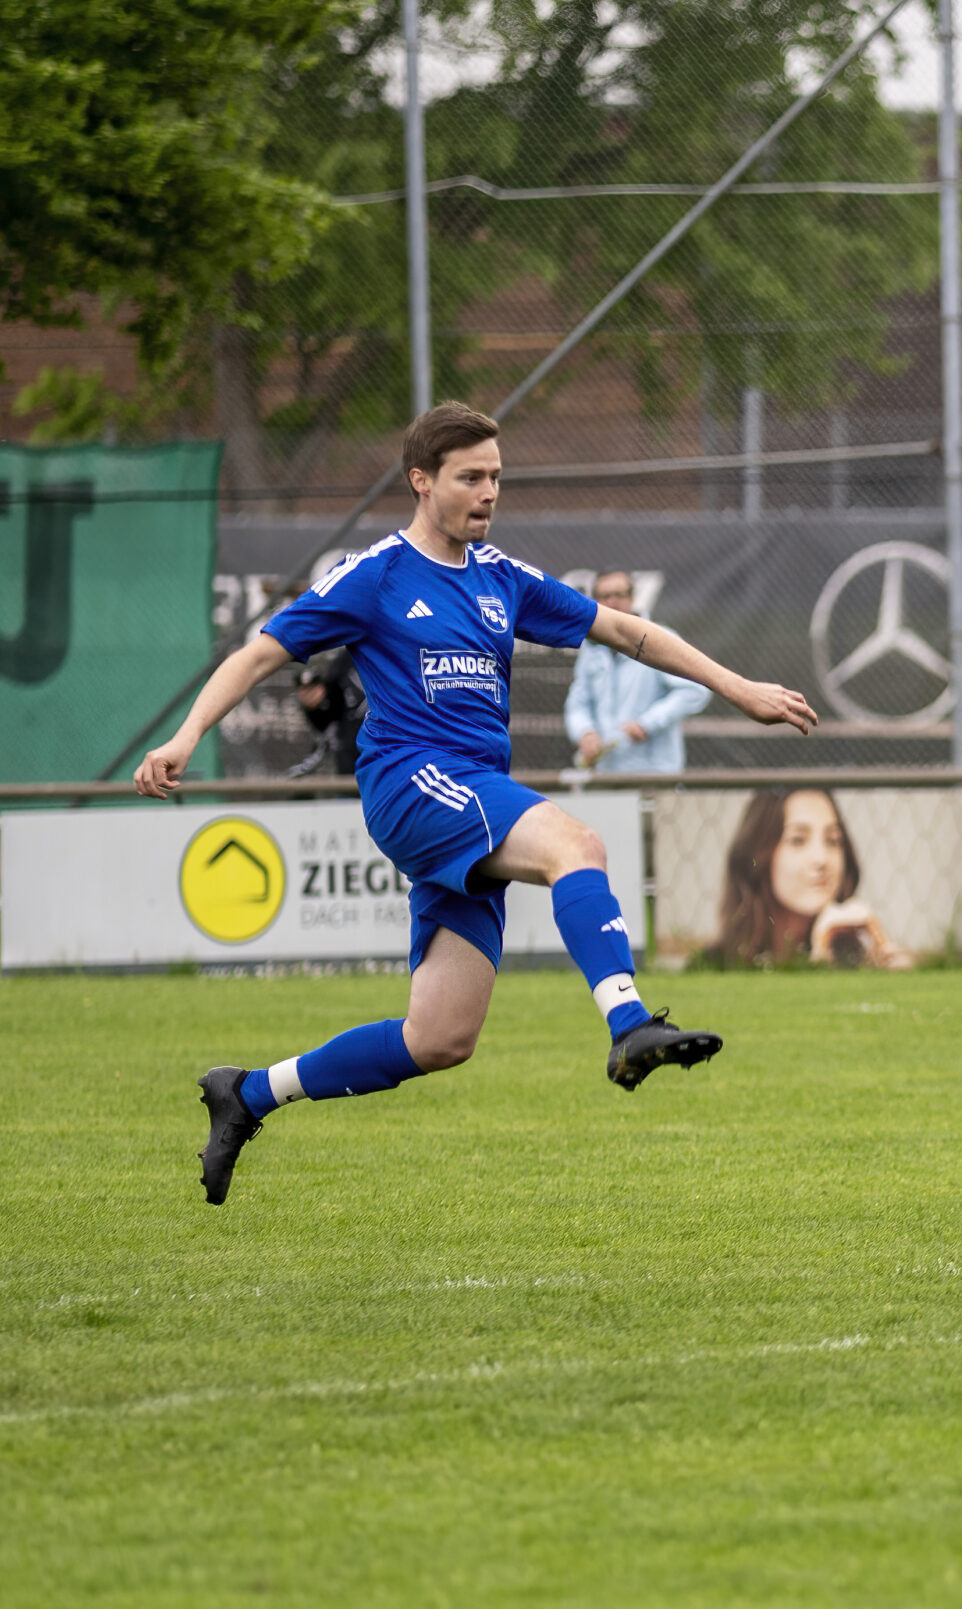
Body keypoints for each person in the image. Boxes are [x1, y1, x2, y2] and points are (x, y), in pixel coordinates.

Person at [135, 401, 819, 1205]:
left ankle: (248, 1092)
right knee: (577, 844)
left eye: (496, 475)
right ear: (421, 481)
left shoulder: (502, 578)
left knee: (440, 1038)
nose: (489, 491)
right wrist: (184, 736)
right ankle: (629, 1023)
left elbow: (628, 632)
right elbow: (259, 655)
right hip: (410, 782)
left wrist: (740, 688)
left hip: (470, 796)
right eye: (470, 476)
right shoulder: (377, 573)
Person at [710, 787, 911, 969]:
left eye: (832, 841)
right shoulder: (714, 967)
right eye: (798, 840)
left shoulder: (862, 964)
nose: (821, 859)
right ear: (759, 855)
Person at [565, 569, 709, 773]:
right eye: (605, 596)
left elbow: (695, 690)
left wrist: (648, 724)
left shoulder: (661, 637)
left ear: (632, 598)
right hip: (606, 774)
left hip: (654, 773)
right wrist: (585, 732)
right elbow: (578, 704)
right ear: (594, 601)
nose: (612, 602)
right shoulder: (590, 649)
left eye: (619, 595)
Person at [287, 645, 366, 778]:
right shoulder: (342, 664)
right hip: (352, 769)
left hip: (390, 763)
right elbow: (330, 721)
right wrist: (314, 708)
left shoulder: (393, 654)